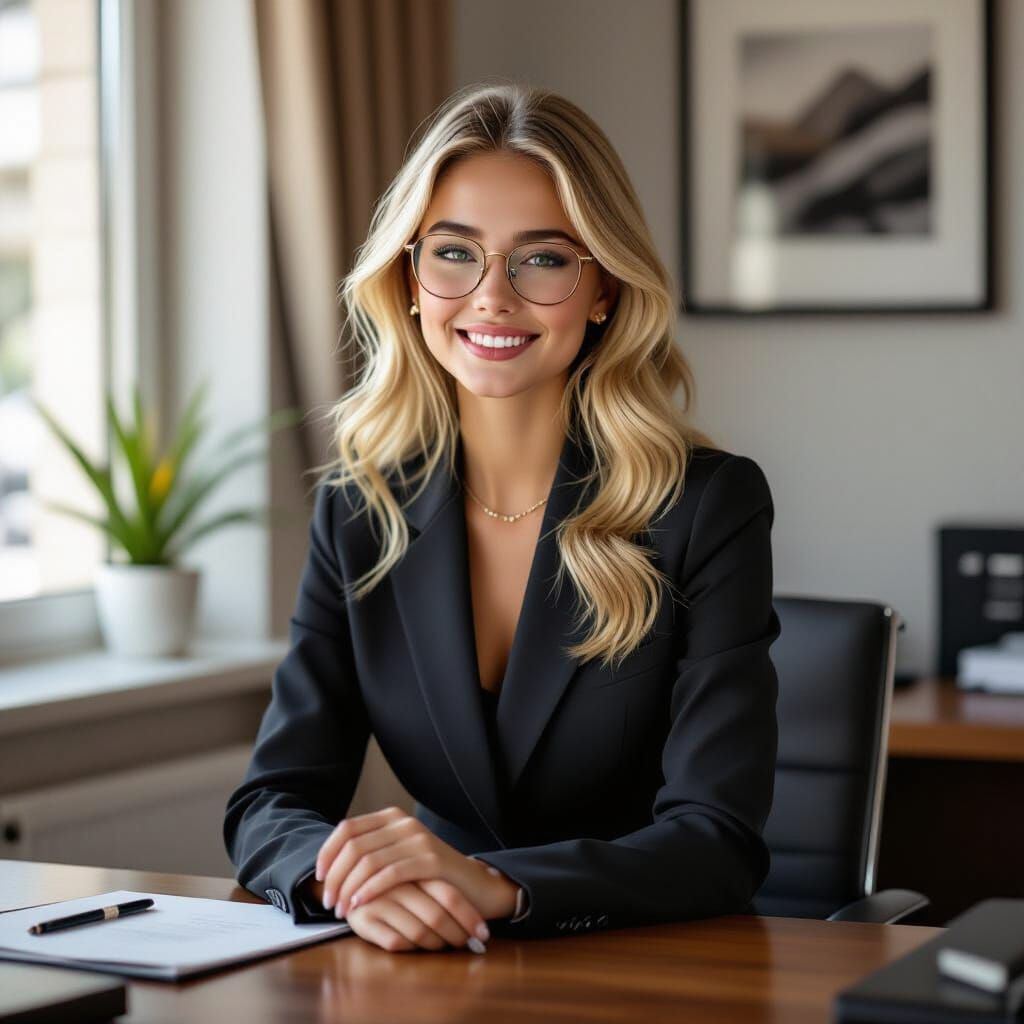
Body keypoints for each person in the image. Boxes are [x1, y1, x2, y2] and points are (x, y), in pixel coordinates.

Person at [223, 81, 780, 954]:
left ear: (602, 288)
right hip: (429, 963)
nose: (490, 297)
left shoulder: (707, 505)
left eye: (544, 259)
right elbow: (271, 801)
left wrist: (503, 887)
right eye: (453, 253)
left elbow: (717, 841)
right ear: (409, 279)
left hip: (645, 970)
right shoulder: (361, 505)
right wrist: (345, 881)